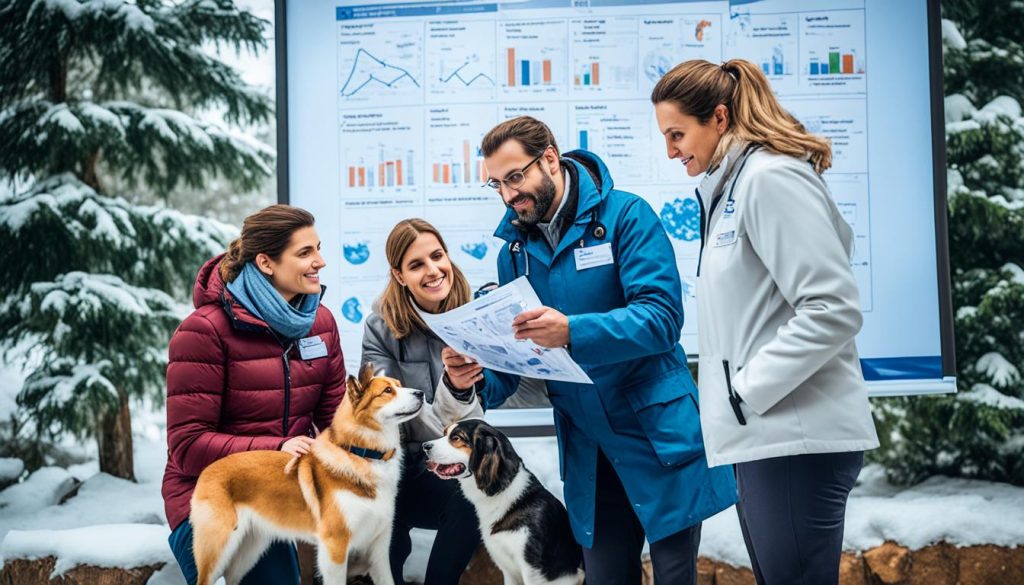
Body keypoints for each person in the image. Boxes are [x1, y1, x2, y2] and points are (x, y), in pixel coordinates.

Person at [441, 116, 737, 585]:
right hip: (590, 452)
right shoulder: (513, 253)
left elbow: (661, 319)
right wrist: (471, 375)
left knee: (673, 576)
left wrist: (572, 331)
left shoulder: (626, 216)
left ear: (551, 159)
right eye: (496, 184)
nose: (507, 195)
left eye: (515, 177)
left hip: (654, 433)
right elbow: (511, 373)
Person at [651, 59, 880, 585]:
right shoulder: (731, 188)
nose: (671, 151)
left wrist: (745, 393)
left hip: (794, 440)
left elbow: (832, 307)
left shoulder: (770, 178)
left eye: (678, 134)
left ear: (721, 118)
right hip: (766, 438)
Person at [162, 205, 346, 585]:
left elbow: (337, 425)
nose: (320, 262)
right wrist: (276, 449)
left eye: (318, 249)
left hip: (284, 488)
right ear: (265, 262)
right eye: (305, 253)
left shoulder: (321, 324)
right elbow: (188, 446)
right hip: (210, 493)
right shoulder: (204, 332)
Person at [359, 218, 485, 584]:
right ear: (398, 276)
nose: (433, 271)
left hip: (450, 465)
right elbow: (385, 412)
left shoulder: (474, 319)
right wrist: (454, 391)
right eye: (416, 265)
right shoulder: (379, 328)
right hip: (399, 466)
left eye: (437, 256)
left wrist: (459, 391)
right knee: (384, 508)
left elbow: (473, 430)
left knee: (473, 496)